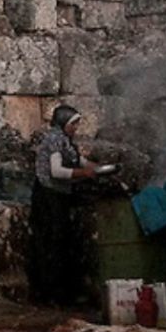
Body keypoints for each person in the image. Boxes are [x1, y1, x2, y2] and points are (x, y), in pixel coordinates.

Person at [27, 104, 101, 307]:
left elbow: (76, 158)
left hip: (58, 195)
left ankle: (60, 293)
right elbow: (57, 171)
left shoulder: (64, 139)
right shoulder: (54, 139)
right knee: (51, 245)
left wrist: (94, 167)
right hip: (48, 197)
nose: (76, 127)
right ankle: (50, 294)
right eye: (73, 123)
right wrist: (84, 174)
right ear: (63, 123)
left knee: (62, 243)